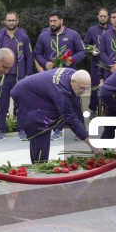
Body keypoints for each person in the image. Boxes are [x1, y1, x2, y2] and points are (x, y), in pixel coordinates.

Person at [11, 68, 104, 163]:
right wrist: (90, 142)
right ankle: (39, 165)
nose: (83, 92)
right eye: (81, 88)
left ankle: (38, 164)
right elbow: (70, 118)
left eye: (86, 88)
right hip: (25, 93)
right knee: (42, 125)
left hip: (38, 92)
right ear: (73, 82)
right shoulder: (61, 92)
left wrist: (84, 132)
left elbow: (75, 108)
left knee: (48, 119)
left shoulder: (72, 74)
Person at [33, 10, 85, 140]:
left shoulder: (73, 34)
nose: (52, 23)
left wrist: (72, 60)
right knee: (54, 102)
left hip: (69, 76)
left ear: (61, 21)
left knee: (74, 103)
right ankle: (57, 130)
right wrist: (45, 64)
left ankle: (81, 130)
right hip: (52, 75)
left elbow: (82, 52)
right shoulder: (43, 36)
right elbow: (37, 53)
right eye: (50, 21)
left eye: (55, 21)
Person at [0, 12, 34, 141]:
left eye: (13, 20)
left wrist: (29, 75)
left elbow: (29, 56)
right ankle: (1, 130)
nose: (11, 23)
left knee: (21, 104)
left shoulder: (23, 37)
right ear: (4, 21)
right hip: (3, 76)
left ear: (17, 20)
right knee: (2, 104)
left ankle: (22, 129)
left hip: (19, 76)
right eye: (8, 20)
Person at [84, 8, 110, 118]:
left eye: (105, 16)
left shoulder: (112, 30)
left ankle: (110, 109)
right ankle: (93, 109)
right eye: (101, 16)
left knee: (110, 87)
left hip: (109, 64)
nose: (103, 18)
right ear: (97, 16)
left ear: (108, 17)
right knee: (95, 87)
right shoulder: (92, 30)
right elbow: (85, 45)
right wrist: (92, 51)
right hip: (96, 63)